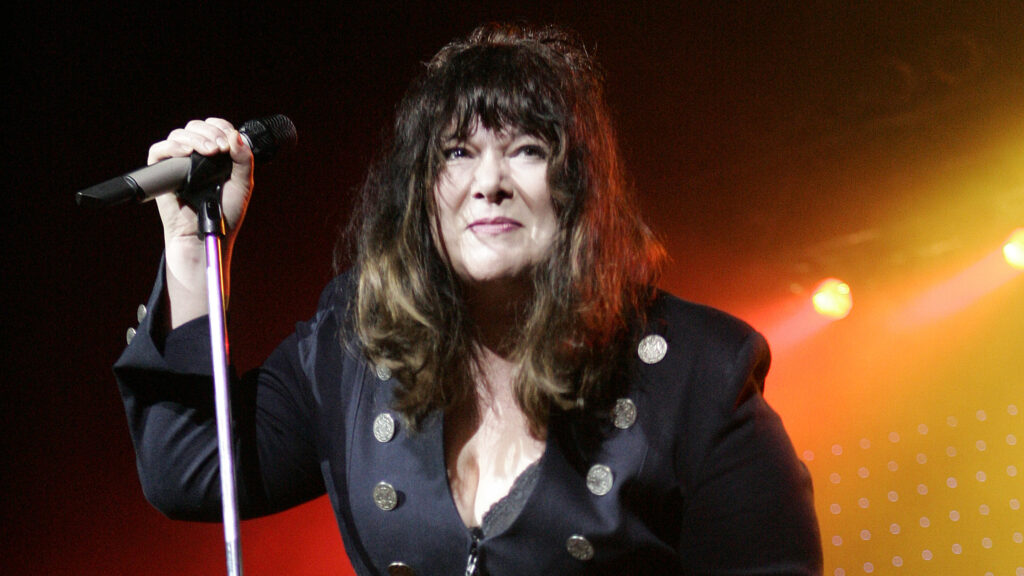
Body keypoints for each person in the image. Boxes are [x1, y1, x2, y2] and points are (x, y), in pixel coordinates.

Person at [115, 22, 822, 575]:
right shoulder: (356, 343)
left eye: (527, 150)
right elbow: (193, 474)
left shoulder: (700, 376)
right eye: (457, 152)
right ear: (422, 192)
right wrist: (190, 247)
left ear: (577, 187)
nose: (489, 182)